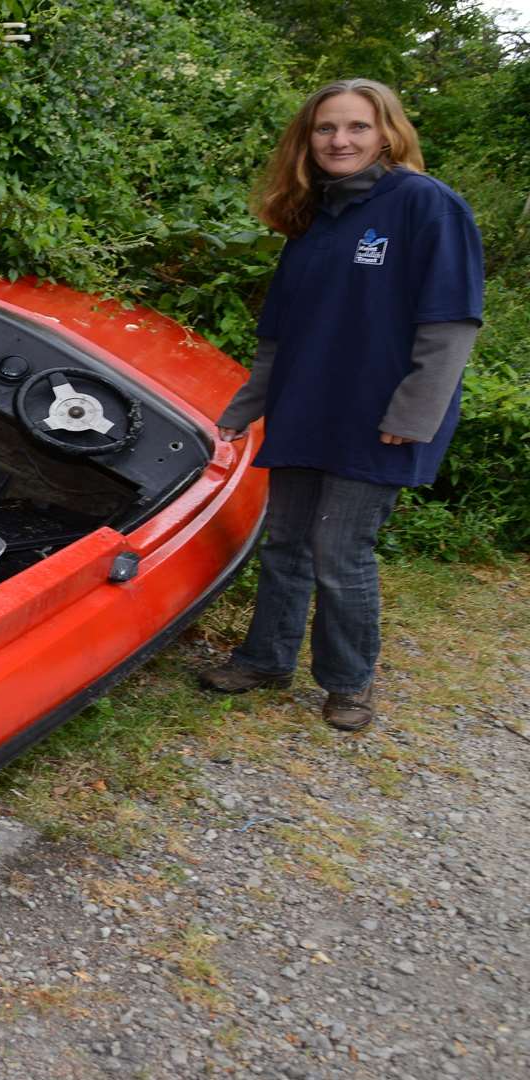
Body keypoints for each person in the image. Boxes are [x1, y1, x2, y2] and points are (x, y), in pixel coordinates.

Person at [198, 78, 484, 731]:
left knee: (338, 549)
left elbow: (450, 329)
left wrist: (413, 417)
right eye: (326, 128)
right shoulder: (312, 221)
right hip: (307, 410)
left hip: (380, 421)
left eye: (356, 127)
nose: (340, 140)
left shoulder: (425, 204)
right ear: (308, 139)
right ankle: (265, 659)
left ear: (387, 132)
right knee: (287, 543)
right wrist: (243, 409)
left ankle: (349, 682)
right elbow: (278, 338)